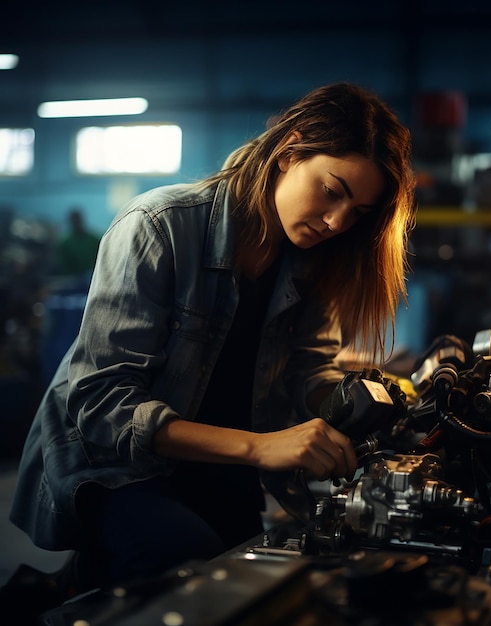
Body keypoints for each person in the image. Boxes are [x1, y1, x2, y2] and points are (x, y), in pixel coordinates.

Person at [9, 82, 416, 596]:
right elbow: (102, 405)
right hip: (117, 467)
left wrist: (361, 401)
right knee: (184, 561)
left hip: (224, 463)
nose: (337, 221)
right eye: (332, 190)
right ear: (289, 153)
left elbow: (309, 372)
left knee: (263, 584)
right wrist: (262, 447)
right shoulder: (158, 225)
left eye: (357, 211)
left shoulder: (316, 260)